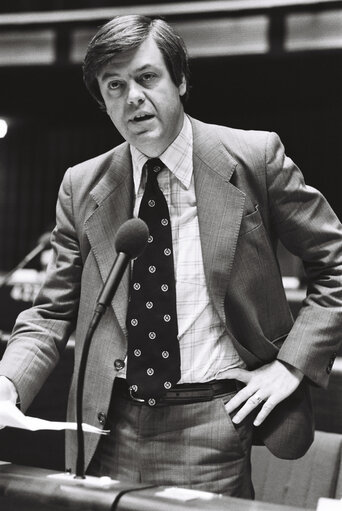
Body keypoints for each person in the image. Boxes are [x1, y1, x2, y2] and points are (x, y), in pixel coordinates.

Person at [0, 14, 341, 499]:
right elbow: (52, 312)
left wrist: (290, 366)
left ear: (180, 80)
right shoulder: (82, 186)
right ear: (104, 102)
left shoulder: (253, 157)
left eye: (146, 77)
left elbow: (336, 261)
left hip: (214, 420)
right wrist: (7, 382)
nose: (132, 96)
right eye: (115, 86)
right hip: (107, 422)